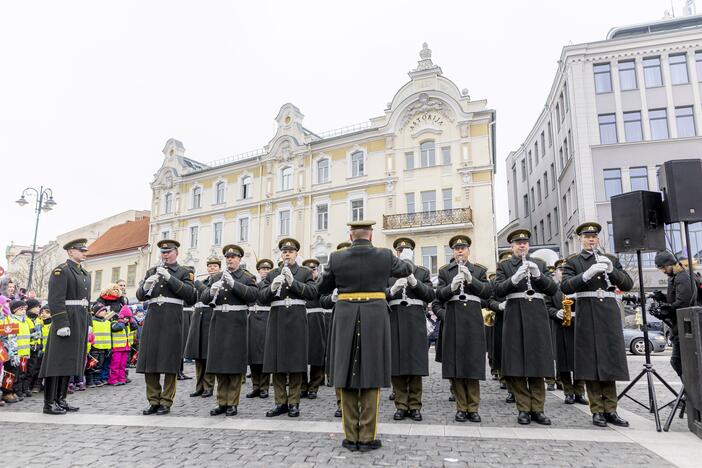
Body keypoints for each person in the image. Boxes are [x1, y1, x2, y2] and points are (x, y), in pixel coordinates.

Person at [317, 220, 413, 452]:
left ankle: (351, 436)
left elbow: (321, 287)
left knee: (345, 373)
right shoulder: (384, 255)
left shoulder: (336, 257)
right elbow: (406, 270)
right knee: (372, 372)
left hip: (345, 314)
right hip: (375, 316)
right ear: (370, 236)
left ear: (350, 237)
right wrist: (407, 256)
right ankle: (367, 437)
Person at [561, 222, 633, 428]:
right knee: (591, 363)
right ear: (580, 239)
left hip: (609, 313)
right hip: (588, 312)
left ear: (598, 238)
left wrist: (613, 271)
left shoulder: (610, 259)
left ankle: (611, 409)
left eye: (594, 236)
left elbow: (628, 284)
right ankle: (597, 410)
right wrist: (587, 274)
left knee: (609, 361)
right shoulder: (574, 262)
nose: (591, 239)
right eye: (587, 236)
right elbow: (565, 286)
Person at [495, 229, 558, 426]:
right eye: (518, 243)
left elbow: (553, 289)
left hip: (537, 317)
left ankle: (538, 409)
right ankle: (523, 408)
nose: (522, 245)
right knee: (518, 366)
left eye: (525, 242)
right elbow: (496, 290)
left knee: (537, 365)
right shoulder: (505, 265)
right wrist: (513, 279)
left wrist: (538, 275)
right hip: (514, 316)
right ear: (512, 246)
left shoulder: (538, 263)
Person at [136, 239, 197, 416]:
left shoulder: (183, 272)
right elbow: (141, 295)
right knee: (150, 362)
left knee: (170, 363)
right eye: (163, 252)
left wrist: (170, 278)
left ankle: (166, 401)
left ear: (176, 253)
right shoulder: (151, 271)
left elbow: (190, 295)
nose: (165, 255)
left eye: (168, 252)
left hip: (172, 319)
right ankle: (153, 400)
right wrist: (146, 286)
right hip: (154, 318)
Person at [435, 235, 491, 423]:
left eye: (463, 247)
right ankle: (461, 407)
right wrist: (451, 286)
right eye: (457, 248)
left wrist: (471, 280)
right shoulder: (445, 271)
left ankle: (473, 407)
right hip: (454, 320)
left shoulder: (479, 270)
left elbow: (487, 293)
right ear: (453, 252)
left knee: (472, 365)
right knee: (457, 366)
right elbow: (439, 296)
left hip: (473, 321)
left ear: (468, 250)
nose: (460, 251)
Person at [259, 238, 317, 418]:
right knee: (276, 364)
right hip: (277, 320)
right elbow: (261, 297)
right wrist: (272, 287)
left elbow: (312, 293)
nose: (287, 254)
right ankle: (280, 402)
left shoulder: (304, 272)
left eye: (290, 251)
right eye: (284, 251)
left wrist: (293, 283)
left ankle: (294, 402)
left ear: (296, 254)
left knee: (295, 364)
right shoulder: (273, 273)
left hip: (297, 320)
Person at [200, 244, 258, 416]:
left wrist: (234, 284)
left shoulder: (247, 277)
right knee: (219, 365)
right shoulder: (216, 276)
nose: (230, 260)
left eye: (233, 257)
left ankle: (232, 402)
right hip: (219, 323)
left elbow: (253, 296)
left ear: (240, 259)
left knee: (233, 366)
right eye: (227, 257)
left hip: (236, 324)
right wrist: (211, 291)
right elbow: (203, 299)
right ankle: (221, 401)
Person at [39, 238, 91, 415]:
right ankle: (49, 402)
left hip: (79, 319)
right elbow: (55, 299)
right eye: (81, 250)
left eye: (85, 250)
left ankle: (61, 399)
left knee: (69, 361)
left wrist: (88, 323)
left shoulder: (83, 273)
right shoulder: (61, 271)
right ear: (70, 252)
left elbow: (86, 302)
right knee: (57, 362)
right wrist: (61, 322)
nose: (85, 252)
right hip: (67, 319)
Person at [386, 237, 435, 422]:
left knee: (415, 365)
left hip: (415, 320)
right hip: (395, 318)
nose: (402, 253)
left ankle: (414, 405)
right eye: (399, 251)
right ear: (396, 254)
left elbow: (431, 295)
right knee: (396, 365)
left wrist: (415, 282)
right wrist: (391, 290)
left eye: (406, 251)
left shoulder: (422, 271)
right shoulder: (388, 272)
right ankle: (400, 404)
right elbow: (380, 293)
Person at [546, 259, 587, 405]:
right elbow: (546, 306)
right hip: (560, 327)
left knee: (580, 361)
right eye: (560, 270)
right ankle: (568, 391)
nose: (563, 272)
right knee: (563, 363)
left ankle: (579, 392)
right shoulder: (552, 289)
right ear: (556, 272)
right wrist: (555, 312)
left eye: (565, 270)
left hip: (578, 326)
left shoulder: (578, 287)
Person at [652, 251, 696, 378]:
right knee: (678, 362)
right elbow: (676, 299)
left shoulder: (682, 277)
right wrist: (662, 298)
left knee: (680, 362)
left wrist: (667, 309)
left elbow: (683, 304)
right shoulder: (676, 277)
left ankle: (692, 394)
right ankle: (690, 394)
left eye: (663, 268)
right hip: (680, 329)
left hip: (685, 329)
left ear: (669, 264)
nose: (663, 271)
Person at [185, 256, 220, 398]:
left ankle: (209, 386)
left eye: (215, 266)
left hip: (210, 319)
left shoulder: (220, 280)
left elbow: (209, 294)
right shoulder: (204, 281)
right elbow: (193, 299)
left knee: (208, 355)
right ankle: (199, 386)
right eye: (210, 266)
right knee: (198, 356)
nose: (212, 268)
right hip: (197, 318)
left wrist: (197, 284)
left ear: (219, 268)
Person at [246, 258, 273, 399]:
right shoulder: (253, 284)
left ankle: (264, 387)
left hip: (266, 319)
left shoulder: (273, 285)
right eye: (263, 269)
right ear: (258, 271)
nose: (265, 271)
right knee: (252, 355)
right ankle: (255, 386)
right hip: (252, 319)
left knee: (263, 355)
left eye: (268, 269)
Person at [300, 258, 326, 400]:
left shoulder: (320, 284)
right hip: (301, 317)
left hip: (316, 318)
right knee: (301, 354)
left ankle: (314, 386)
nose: (312, 272)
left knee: (317, 353)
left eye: (314, 269)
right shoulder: (299, 284)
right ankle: (303, 386)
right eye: (309, 270)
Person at [108, 305, 136, 386]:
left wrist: (132, 320)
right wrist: (121, 320)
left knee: (122, 365)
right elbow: (118, 327)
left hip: (125, 348)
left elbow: (135, 326)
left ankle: (121, 379)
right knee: (115, 365)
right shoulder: (115, 323)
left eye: (128, 318)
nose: (126, 320)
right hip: (117, 348)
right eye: (125, 317)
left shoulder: (128, 325)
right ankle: (113, 380)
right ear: (120, 317)